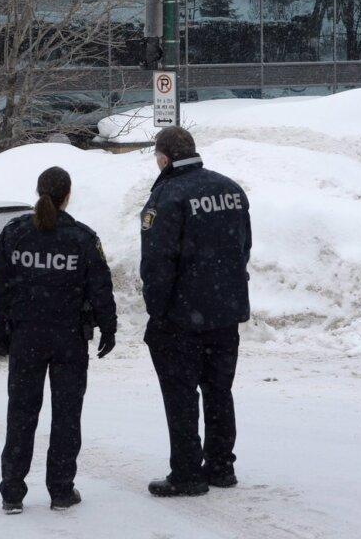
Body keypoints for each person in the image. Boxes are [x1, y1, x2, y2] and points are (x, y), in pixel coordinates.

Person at [0, 166, 118, 514]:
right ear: (67, 195)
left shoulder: (14, 234)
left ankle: (12, 493)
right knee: (66, 415)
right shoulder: (81, 237)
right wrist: (109, 327)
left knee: (21, 414)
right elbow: (100, 288)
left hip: (25, 336)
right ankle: (61, 490)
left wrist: (1, 331)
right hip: (69, 340)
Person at [140, 127, 252, 498]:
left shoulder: (168, 195)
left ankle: (187, 474)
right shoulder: (231, 190)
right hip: (225, 311)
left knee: (181, 395)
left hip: (182, 316)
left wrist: (158, 314)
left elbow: (157, 264)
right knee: (219, 390)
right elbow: (243, 247)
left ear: (164, 157)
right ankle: (221, 467)